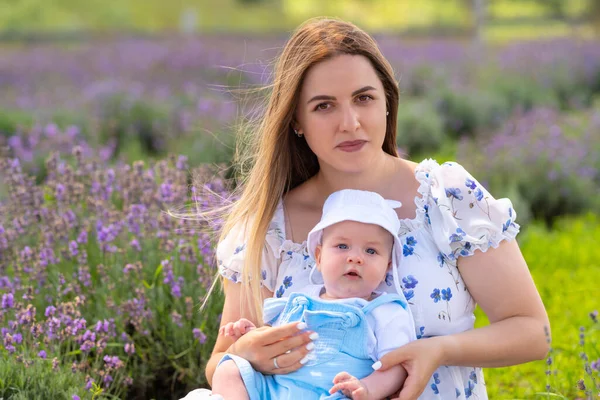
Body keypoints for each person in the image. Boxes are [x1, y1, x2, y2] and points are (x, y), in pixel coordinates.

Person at [187, 16, 550, 400]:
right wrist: (244, 352)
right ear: (296, 120)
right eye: (324, 106)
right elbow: (221, 364)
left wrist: (440, 350)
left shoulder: (446, 198)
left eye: (364, 98)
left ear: (388, 103)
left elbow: (532, 331)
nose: (350, 122)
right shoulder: (267, 225)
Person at [209, 189, 417, 400]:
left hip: (332, 394)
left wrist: (367, 388)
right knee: (229, 369)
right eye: (342, 246)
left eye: (371, 251)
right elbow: (274, 338)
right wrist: (252, 335)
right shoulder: (300, 298)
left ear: (387, 267)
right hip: (274, 391)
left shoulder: (385, 311)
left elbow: (396, 366)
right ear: (319, 257)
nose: (355, 257)